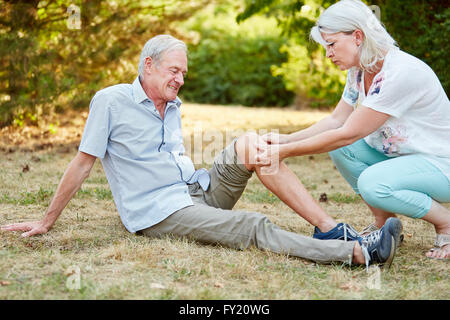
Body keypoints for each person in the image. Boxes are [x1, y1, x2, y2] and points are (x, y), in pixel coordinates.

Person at [1, 34, 402, 268]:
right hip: (160, 212)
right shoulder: (110, 102)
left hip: (196, 190)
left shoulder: (170, 105)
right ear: (147, 66)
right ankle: (353, 252)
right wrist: (47, 220)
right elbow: (82, 163)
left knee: (253, 144)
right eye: (173, 71)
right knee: (252, 226)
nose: (180, 79)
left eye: (184, 73)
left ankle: (330, 226)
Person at [256, 0, 450, 260]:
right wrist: (287, 138)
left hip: (441, 166)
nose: (328, 54)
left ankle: (446, 224)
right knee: (343, 150)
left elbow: (349, 132)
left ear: (357, 36)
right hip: (407, 159)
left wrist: (285, 151)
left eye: (331, 44)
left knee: (372, 183)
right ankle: (383, 225)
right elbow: (337, 121)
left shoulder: (400, 73)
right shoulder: (360, 70)